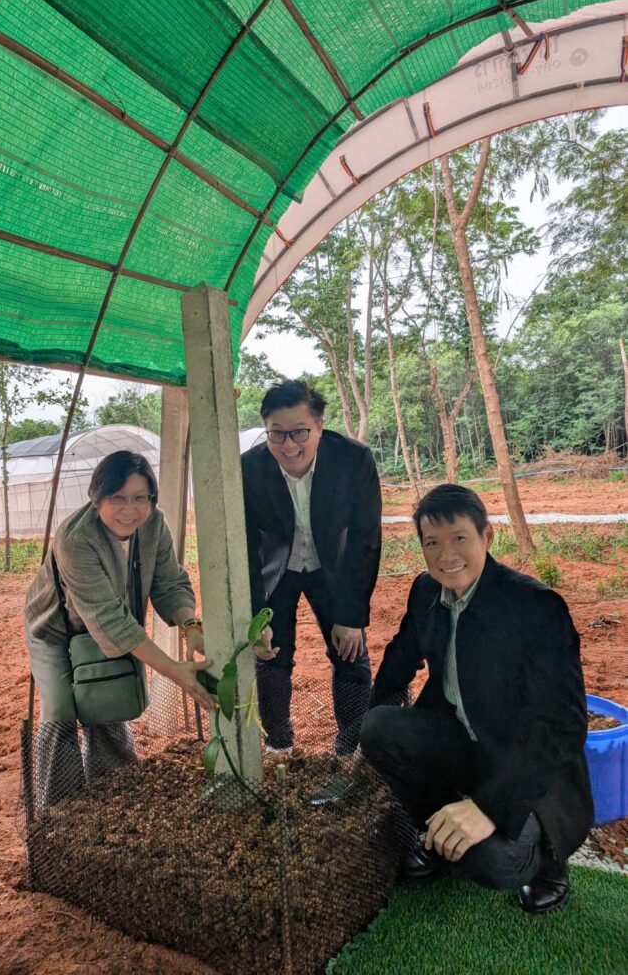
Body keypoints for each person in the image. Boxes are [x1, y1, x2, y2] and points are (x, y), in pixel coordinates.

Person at [359, 484, 592, 914]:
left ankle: (548, 862)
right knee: (377, 729)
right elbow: (400, 658)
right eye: (432, 542)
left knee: (492, 862)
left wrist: (488, 807)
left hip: (526, 761)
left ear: (487, 536)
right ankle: (441, 835)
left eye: (459, 538)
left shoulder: (535, 607)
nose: (446, 554)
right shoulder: (426, 591)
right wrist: (370, 725)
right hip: (466, 742)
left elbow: (564, 728)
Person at [25, 450, 213, 806]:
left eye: (140, 498)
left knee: (106, 700)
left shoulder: (154, 525)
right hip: (55, 631)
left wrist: (190, 625)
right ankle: (60, 809)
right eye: (118, 498)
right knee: (60, 710)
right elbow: (109, 619)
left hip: (108, 624)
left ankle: (114, 792)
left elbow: (170, 583)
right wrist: (174, 671)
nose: (130, 510)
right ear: (97, 498)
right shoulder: (75, 538)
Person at [241, 380, 382, 756]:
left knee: (349, 651)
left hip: (333, 566)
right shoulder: (249, 469)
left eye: (300, 432)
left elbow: (365, 539)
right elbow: (245, 546)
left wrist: (351, 615)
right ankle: (279, 745)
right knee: (270, 652)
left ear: (319, 425)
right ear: (266, 429)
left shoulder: (353, 460)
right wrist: (256, 614)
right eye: (277, 434)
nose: (289, 445)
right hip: (278, 568)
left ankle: (351, 746)